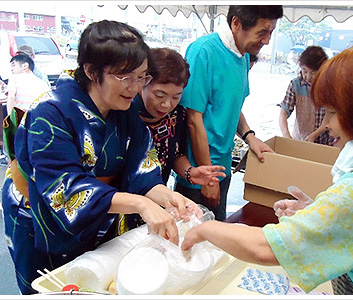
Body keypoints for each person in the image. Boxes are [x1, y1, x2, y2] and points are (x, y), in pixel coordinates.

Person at [181, 41, 353, 295]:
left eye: (333, 112)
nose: (329, 124)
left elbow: (267, 248)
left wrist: (206, 229)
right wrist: (320, 215)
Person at [1, 20, 198, 294]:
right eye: (125, 77)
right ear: (92, 71)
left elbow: (142, 171)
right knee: (49, 286)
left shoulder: (126, 112)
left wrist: (169, 198)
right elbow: (65, 190)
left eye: (141, 77)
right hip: (38, 211)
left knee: (94, 279)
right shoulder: (49, 112)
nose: (134, 87)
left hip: (97, 210)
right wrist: (141, 204)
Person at [175, 5, 283, 221]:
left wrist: (250, 137)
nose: (267, 41)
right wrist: (209, 179)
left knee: (217, 238)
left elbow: (232, 105)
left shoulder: (243, 56)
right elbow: (193, 120)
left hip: (222, 168)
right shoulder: (203, 51)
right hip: (199, 174)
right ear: (236, 23)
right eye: (262, 32)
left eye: (270, 32)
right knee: (192, 242)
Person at [135, 47, 226, 186]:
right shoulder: (124, 113)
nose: (166, 105)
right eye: (159, 95)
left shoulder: (176, 115)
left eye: (176, 97)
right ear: (142, 82)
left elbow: (175, 155)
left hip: (158, 195)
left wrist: (189, 172)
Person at [279, 46, 334, 144]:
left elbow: (331, 116)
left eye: (313, 73)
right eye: (304, 71)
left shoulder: (329, 87)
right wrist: (286, 135)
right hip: (300, 139)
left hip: (325, 142)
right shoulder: (296, 85)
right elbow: (283, 112)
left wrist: (314, 135)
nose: (308, 77)